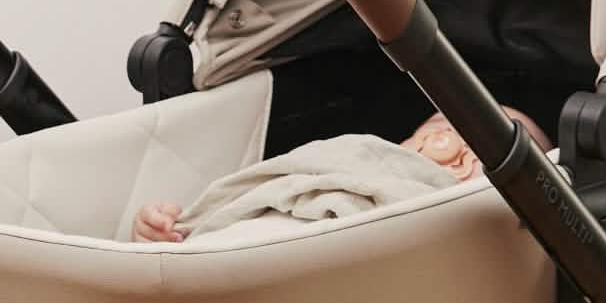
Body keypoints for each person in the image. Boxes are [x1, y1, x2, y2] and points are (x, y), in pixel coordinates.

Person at [130, 108, 551, 244]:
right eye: (440, 124)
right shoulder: (361, 156)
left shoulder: (449, 230)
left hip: (327, 248)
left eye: (488, 143)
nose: (448, 139)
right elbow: (274, 180)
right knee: (171, 236)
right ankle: (166, 242)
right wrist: (179, 223)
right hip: (247, 228)